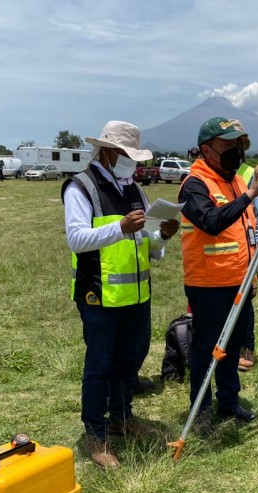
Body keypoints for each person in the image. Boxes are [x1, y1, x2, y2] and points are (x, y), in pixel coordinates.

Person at [63, 120, 179, 469]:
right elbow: (77, 239)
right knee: (99, 365)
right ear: (110, 152)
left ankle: (122, 417)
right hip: (99, 294)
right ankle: (95, 435)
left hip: (136, 294)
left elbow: (144, 241)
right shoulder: (81, 188)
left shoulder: (135, 189)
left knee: (131, 358)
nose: (133, 163)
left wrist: (163, 236)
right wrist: (120, 227)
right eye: (128, 156)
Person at [178, 117, 258, 433]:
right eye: (227, 144)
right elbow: (211, 222)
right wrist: (249, 196)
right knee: (206, 351)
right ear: (207, 149)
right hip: (209, 285)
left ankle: (229, 402)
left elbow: (247, 233)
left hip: (239, 282)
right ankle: (201, 412)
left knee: (231, 350)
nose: (235, 150)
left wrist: (252, 278)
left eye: (239, 144)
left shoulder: (236, 181)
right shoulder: (194, 184)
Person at [229, 120, 258, 372]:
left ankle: (246, 348)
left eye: (238, 145)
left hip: (244, 254)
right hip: (220, 257)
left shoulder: (249, 174)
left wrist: (255, 260)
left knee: (245, 305)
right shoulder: (212, 177)